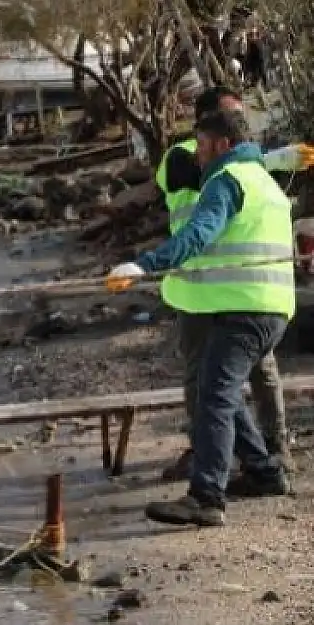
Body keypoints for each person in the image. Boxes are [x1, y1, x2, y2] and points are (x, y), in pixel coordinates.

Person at [108, 109, 294, 526]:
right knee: (222, 393)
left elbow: (197, 233)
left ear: (223, 144)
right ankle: (264, 473)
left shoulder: (226, 181)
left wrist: (144, 265)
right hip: (271, 309)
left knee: (213, 396)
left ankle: (206, 497)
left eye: (203, 145)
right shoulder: (265, 180)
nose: (197, 155)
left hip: (243, 308)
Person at [154, 86, 294, 478]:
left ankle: (267, 454)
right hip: (196, 288)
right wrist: (269, 159)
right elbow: (208, 179)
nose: (242, 124)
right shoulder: (180, 156)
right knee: (208, 382)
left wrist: (267, 161)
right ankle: (213, 457)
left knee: (238, 381)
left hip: (240, 290)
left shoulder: (243, 169)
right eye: (233, 116)